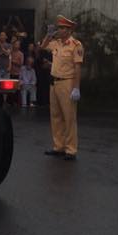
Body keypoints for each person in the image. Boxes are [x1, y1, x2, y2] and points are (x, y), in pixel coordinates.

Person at [40, 16, 83, 159]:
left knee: (69, 117)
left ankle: (71, 150)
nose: (60, 30)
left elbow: (77, 68)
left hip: (67, 83)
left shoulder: (75, 45)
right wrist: (48, 34)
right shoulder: (56, 43)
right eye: (59, 28)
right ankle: (59, 146)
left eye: (63, 28)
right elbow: (42, 46)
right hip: (54, 82)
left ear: (69, 30)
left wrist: (76, 88)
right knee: (56, 116)